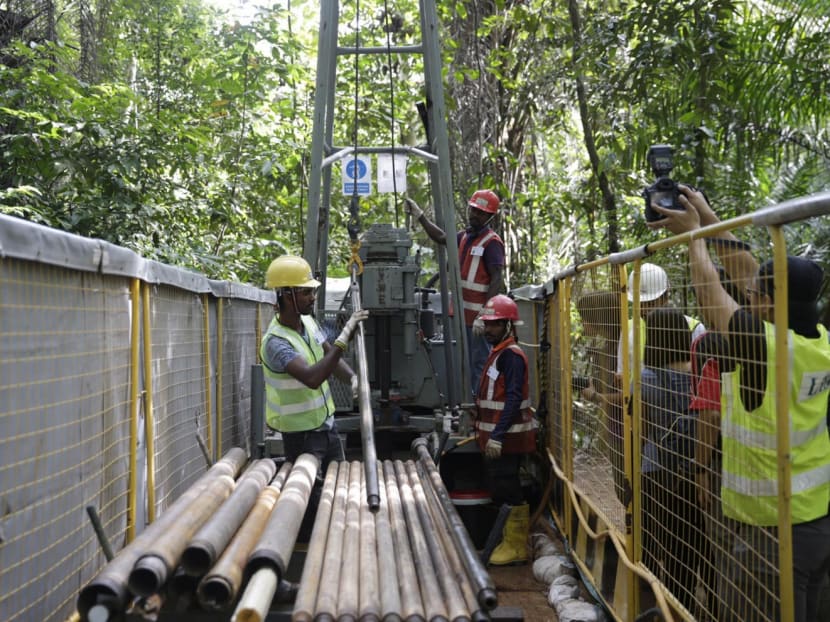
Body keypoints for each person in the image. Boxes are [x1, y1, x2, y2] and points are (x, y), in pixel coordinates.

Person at [650, 186, 830, 622]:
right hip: (817, 520)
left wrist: (694, 236)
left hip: (769, 528)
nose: (749, 295)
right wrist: (712, 219)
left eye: (756, 293)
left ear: (769, 301)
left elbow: (712, 294)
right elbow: (750, 274)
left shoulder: (764, 347)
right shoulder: (819, 342)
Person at [259, 255, 369, 532]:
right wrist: (344, 339)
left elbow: (327, 354)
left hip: (325, 427)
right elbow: (312, 377)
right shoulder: (276, 342)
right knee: (307, 500)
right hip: (301, 436)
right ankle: (306, 554)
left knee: (339, 487)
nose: (311, 297)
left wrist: (353, 377)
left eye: (312, 291)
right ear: (286, 295)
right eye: (305, 292)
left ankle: (337, 538)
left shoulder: (308, 324)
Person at [638, 307, 712, 618]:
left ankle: (675, 610)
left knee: (674, 550)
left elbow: (642, 429)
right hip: (701, 471)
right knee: (706, 549)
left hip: (660, 472)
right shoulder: (703, 373)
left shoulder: (647, 377)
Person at [404, 190, 505, 396]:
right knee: (466, 364)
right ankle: (471, 407)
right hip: (461, 315)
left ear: (490, 217)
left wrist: (485, 314)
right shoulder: (466, 237)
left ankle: (481, 409)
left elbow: (497, 279)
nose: (475, 215)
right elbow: (442, 237)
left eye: (481, 213)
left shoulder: (491, 242)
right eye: (474, 210)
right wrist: (420, 215)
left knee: (479, 364)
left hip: (478, 319)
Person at [473, 294, 536, 565]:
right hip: (496, 438)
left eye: (495, 325)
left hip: (508, 440)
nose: (489, 330)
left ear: (509, 326)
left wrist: (497, 436)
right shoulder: (499, 352)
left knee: (509, 488)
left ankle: (517, 545)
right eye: (487, 324)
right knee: (500, 487)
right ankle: (509, 540)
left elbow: (512, 398)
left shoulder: (511, 356)